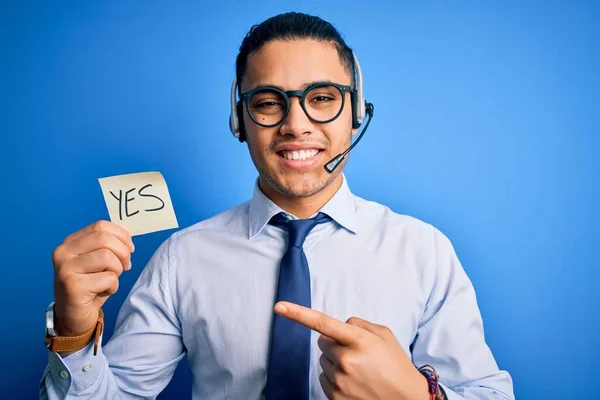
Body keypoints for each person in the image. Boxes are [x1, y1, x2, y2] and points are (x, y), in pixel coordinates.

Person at [41, 11, 514, 400]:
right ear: (239, 120)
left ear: (355, 114)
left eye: (323, 98)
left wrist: (417, 396)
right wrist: (74, 334)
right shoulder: (182, 258)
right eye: (269, 103)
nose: (296, 124)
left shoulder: (423, 251)